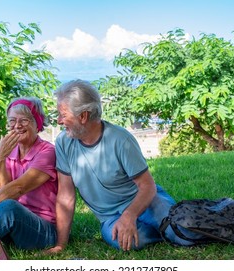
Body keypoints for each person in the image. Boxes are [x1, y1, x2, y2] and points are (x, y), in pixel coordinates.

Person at [47, 79, 208, 253]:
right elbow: (66, 196)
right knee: (127, 242)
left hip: (145, 202)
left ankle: (178, 225)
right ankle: (163, 230)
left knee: (182, 233)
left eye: (63, 115)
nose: (59, 121)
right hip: (110, 217)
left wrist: (130, 214)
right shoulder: (64, 143)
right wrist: (60, 244)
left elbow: (147, 186)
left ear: (83, 116)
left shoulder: (120, 140)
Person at [0, 96, 58, 250]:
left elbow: (18, 189)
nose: (17, 125)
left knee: (4, 207)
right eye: (12, 121)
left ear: (37, 123)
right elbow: (0, 192)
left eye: (24, 120)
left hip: (44, 231)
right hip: (17, 222)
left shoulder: (47, 151)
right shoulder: (11, 152)